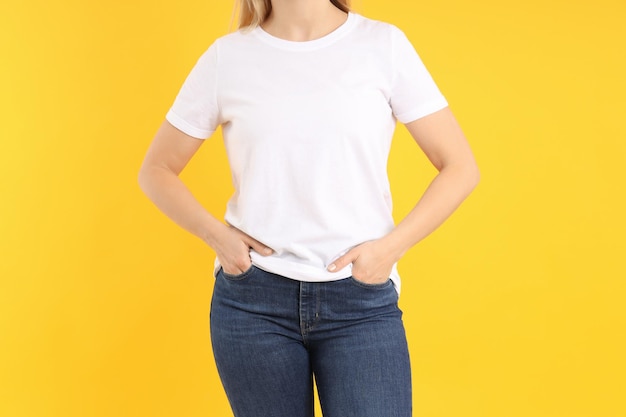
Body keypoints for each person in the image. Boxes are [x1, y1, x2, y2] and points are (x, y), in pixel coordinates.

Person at [138, 0, 479, 416]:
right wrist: (221, 241)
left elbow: (460, 167)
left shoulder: (383, 46)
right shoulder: (229, 58)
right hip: (253, 303)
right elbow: (156, 169)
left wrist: (389, 251)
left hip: (359, 301)